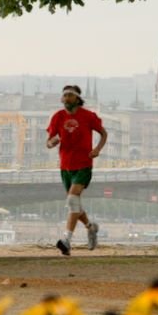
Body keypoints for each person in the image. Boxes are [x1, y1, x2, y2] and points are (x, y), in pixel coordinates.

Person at [46, 84, 107, 256]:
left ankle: (66, 240)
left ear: (77, 98)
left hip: (84, 164)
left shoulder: (88, 116)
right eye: (64, 96)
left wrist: (97, 150)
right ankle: (91, 227)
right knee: (75, 204)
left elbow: (104, 133)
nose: (66, 99)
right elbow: (49, 141)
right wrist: (52, 143)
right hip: (65, 166)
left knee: (72, 200)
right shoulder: (57, 117)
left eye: (70, 96)